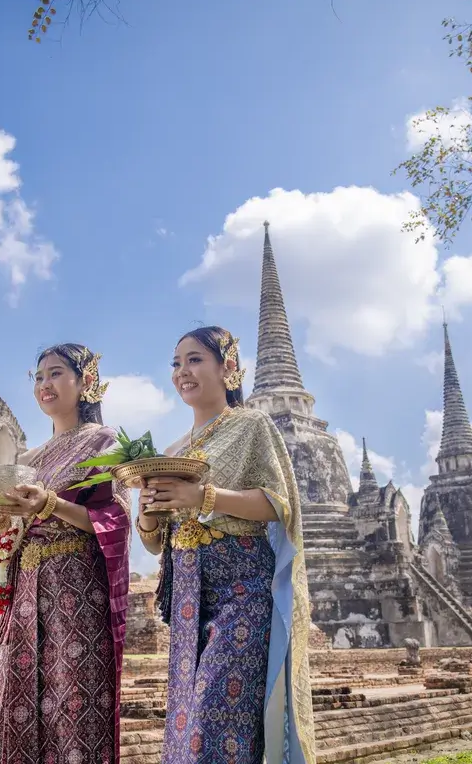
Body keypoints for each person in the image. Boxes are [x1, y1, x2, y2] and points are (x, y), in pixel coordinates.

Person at [134, 326, 316, 764]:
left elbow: (279, 504)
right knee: (188, 717)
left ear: (227, 367)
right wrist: (146, 509)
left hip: (242, 588)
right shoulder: (172, 450)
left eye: (194, 360)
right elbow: (156, 544)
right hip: (188, 595)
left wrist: (203, 496)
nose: (182, 372)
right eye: (176, 364)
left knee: (217, 716)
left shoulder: (252, 426)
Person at [0, 343, 130, 764]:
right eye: (39, 377)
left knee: (74, 701)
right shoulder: (29, 459)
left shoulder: (105, 442)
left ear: (86, 382)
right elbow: (13, 525)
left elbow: (115, 520)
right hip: (27, 587)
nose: (45, 384)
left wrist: (50, 504)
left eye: (57, 373)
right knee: (17, 699)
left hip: (76, 588)